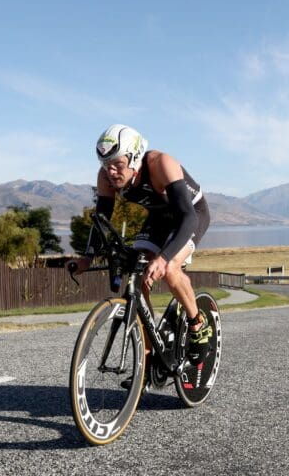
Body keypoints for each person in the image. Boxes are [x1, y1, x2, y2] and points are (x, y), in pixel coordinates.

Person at [69, 123, 212, 370]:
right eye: (105, 164)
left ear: (134, 157)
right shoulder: (105, 176)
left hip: (190, 215)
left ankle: (197, 324)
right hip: (158, 217)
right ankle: (147, 356)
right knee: (138, 276)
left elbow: (188, 216)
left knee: (169, 270)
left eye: (117, 164)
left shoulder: (161, 164)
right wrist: (87, 258)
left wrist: (165, 257)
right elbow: (101, 219)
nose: (111, 171)